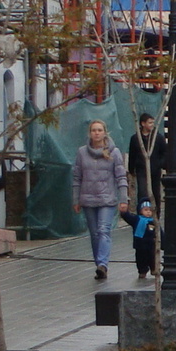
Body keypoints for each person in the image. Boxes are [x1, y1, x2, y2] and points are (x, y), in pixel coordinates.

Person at [70, 119, 128, 280]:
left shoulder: (113, 152)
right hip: (88, 199)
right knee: (95, 234)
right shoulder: (82, 153)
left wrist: (123, 198)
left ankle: (103, 263)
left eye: (99, 130)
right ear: (90, 133)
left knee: (104, 231)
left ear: (105, 132)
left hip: (107, 199)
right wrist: (76, 200)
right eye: (94, 130)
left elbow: (121, 177)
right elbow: (77, 178)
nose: (96, 133)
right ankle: (99, 265)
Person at [125, 112, 166, 206]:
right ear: (143, 124)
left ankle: (156, 215)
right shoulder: (135, 138)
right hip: (141, 170)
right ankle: (142, 215)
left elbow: (164, 153)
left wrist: (160, 164)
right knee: (142, 193)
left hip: (155, 170)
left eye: (153, 123)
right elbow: (132, 154)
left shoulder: (158, 138)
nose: (152, 125)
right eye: (150, 122)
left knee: (155, 193)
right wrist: (131, 169)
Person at [119, 198, 162, 279]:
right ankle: (142, 271)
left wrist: (163, 242)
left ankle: (153, 268)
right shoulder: (137, 219)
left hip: (151, 244)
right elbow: (128, 217)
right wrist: (124, 212)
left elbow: (160, 232)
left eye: (150, 210)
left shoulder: (154, 221)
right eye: (146, 210)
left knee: (152, 257)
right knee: (140, 259)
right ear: (141, 211)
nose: (148, 212)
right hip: (139, 244)